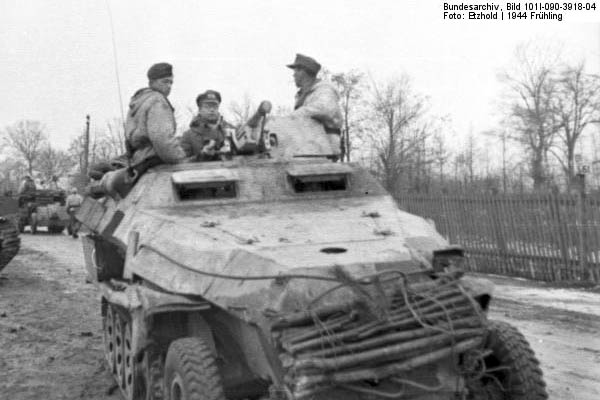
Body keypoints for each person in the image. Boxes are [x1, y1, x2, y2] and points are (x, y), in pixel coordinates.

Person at [124, 62, 185, 171]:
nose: (169, 86)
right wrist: (181, 159)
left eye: (171, 83)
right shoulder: (158, 101)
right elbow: (161, 138)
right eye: (165, 82)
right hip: (155, 162)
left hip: (139, 160)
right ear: (152, 82)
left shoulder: (138, 101)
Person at [287, 53, 343, 134]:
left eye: (296, 70)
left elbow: (324, 108)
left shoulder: (325, 89)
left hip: (327, 141)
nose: (293, 74)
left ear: (303, 72)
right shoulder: (302, 94)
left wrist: (293, 116)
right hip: (309, 140)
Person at [180, 90, 233, 161]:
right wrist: (202, 155)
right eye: (207, 107)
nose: (212, 110)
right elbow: (181, 162)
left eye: (215, 106)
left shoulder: (231, 131)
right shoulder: (188, 136)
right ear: (199, 110)